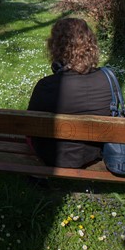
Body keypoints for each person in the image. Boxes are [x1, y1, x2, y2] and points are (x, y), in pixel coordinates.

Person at [27, 17, 112, 168]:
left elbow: (30, 130)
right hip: (90, 154)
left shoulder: (45, 86)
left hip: (50, 156)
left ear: (55, 46)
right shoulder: (108, 82)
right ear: (90, 45)